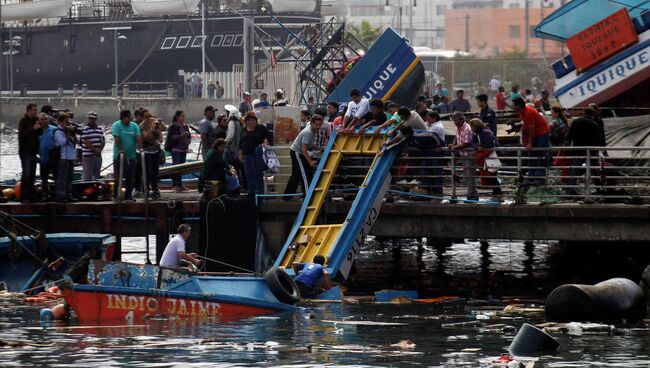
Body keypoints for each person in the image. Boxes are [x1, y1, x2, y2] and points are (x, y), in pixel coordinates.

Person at [564, 108, 604, 196]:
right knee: (594, 170)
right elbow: (598, 138)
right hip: (591, 151)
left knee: (574, 171)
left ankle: (569, 191)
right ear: (592, 115)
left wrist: (567, 148)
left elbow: (568, 136)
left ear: (583, 113)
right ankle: (599, 189)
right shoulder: (593, 124)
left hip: (577, 150)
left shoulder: (576, 122)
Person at [513, 97, 550, 186]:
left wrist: (530, 143)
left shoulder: (529, 112)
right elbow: (526, 127)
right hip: (535, 134)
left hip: (542, 134)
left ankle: (540, 178)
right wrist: (525, 142)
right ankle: (531, 177)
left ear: (518, 105)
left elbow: (532, 129)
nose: (512, 107)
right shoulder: (521, 112)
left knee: (540, 155)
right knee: (531, 155)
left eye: (513, 105)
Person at [284, 115, 322, 196]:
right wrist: (310, 161)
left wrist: (311, 145)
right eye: (317, 124)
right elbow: (304, 149)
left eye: (320, 124)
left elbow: (305, 145)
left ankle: (287, 196)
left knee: (296, 175)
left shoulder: (312, 129)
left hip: (297, 152)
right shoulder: (309, 132)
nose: (318, 126)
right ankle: (308, 195)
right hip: (298, 152)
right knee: (305, 173)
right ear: (312, 123)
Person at [239, 112, 273, 196]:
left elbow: (270, 136)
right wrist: (240, 154)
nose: (251, 122)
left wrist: (266, 142)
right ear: (246, 122)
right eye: (249, 120)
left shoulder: (261, 128)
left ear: (256, 121)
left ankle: (259, 193)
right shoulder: (243, 130)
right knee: (249, 174)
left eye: (252, 120)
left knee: (257, 174)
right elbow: (240, 143)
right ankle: (251, 192)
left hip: (257, 155)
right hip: (247, 156)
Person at [113, 110, 142, 202]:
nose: (130, 119)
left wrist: (140, 147)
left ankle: (128, 196)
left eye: (131, 117)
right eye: (129, 117)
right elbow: (117, 138)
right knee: (119, 176)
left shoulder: (134, 126)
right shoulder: (117, 125)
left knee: (131, 176)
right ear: (123, 117)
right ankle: (116, 195)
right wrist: (121, 149)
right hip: (119, 156)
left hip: (131, 156)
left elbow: (138, 138)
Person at [470, 118, 502, 202]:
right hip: (485, 157)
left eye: (472, 126)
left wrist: (482, 147)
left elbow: (492, 143)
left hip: (491, 156)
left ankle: (498, 195)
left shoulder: (486, 132)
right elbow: (472, 142)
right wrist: (477, 147)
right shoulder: (476, 134)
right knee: (490, 176)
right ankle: (496, 195)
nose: (471, 128)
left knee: (492, 176)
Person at [448, 112, 477, 200]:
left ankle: (471, 195)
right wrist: (453, 144)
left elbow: (467, 143)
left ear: (462, 119)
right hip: (463, 155)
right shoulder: (459, 127)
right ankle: (472, 194)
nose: (455, 123)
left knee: (469, 175)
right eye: (454, 121)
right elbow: (457, 137)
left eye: (456, 121)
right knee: (467, 175)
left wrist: (455, 147)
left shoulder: (467, 128)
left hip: (469, 155)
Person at [18, 103, 42, 203]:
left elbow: (39, 134)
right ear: (28, 110)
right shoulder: (23, 121)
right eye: (34, 110)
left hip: (33, 151)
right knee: (26, 173)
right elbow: (23, 134)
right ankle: (24, 196)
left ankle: (32, 196)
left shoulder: (35, 121)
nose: (36, 112)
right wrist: (33, 128)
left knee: (32, 174)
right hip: (25, 151)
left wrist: (39, 128)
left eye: (36, 110)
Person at [139, 110, 166, 199]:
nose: (149, 118)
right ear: (143, 118)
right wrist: (152, 128)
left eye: (149, 116)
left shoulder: (154, 123)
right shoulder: (142, 126)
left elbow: (163, 130)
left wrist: (159, 124)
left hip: (155, 150)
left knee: (155, 172)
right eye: (146, 117)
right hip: (147, 151)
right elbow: (146, 138)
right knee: (148, 172)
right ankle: (146, 190)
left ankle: (155, 190)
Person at [54, 113, 78, 203]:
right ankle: (61, 196)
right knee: (62, 178)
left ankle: (68, 195)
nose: (67, 123)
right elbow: (62, 143)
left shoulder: (68, 131)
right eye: (65, 121)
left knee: (69, 178)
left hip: (71, 157)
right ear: (60, 122)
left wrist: (73, 133)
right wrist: (68, 134)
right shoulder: (58, 132)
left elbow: (76, 142)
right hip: (63, 157)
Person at [167, 110, 191, 192]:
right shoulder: (173, 127)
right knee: (176, 167)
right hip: (176, 149)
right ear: (177, 117)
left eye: (184, 116)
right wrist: (181, 136)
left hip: (183, 149)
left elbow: (189, 137)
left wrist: (188, 142)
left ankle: (180, 184)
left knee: (181, 168)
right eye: (182, 116)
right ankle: (175, 184)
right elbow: (171, 138)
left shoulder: (185, 127)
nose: (183, 118)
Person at [80, 111, 105, 181]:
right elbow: (86, 141)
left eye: (93, 118)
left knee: (97, 175)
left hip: (98, 156)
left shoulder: (99, 129)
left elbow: (103, 141)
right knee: (87, 176)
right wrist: (95, 150)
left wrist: (100, 150)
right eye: (90, 118)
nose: (91, 120)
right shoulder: (85, 129)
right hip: (88, 156)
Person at [38, 113, 57, 201]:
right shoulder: (37, 131)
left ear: (48, 120)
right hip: (43, 158)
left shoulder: (54, 129)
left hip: (54, 158)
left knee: (57, 177)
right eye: (42, 119)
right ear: (39, 121)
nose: (44, 121)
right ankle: (45, 195)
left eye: (45, 119)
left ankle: (57, 194)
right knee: (44, 178)